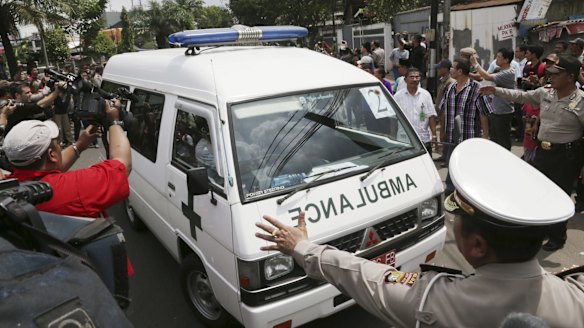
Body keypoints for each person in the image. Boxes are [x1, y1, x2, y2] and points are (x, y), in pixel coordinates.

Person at [255, 138, 584, 327]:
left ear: (478, 246)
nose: (451, 219)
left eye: (456, 215)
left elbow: (366, 277)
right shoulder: (575, 297)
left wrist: (303, 247)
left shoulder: (441, 301)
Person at [480, 55, 584, 252]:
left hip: (566, 157)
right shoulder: (546, 93)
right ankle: (540, 229)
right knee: (538, 193)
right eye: (550, 73)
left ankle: (557, 236)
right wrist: (495, 90)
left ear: (570, 77)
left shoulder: (581, 101)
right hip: (543, 152)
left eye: (556, 74)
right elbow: (520, 96)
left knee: (559, 197)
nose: (550, 77)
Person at [3, 99, 132, 218]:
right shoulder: (74, 188)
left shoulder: (8, 188)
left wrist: (79, 145)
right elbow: (122, 164)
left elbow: (44, 173)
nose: (60, 146)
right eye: (57, 143)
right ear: (51, 155)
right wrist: (115, 121)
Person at [440, 58, 493, 192]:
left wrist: (485, 136)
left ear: (460, 71)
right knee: (452, 166)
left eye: (453, 67)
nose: (450, 69)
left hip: (469, 138)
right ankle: (451, 192)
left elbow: (484, 114)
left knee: (468, 169)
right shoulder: (451, 87)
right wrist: (442, 131)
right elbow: (444, 110)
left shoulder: (476, 88)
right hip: (452, 138)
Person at [471, 48, 517, 150]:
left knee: (503, 142)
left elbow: (487, 77)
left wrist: (476, 64)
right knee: (495, 141)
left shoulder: (508, 72)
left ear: (506, 60)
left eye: (499, 57)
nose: (496, 59)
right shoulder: (502, 70)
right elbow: (484, 76)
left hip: (503, 112)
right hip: (496, 110)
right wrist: (469, 74)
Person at [393, 68, 437, 155]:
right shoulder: (398, 96)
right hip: (405, 141)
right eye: (411, 77)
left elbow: (431, 116)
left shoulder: (426, 95)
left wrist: (434, 135)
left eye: (417, 77)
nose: (414, 79)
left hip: (423, 139)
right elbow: (394, 118)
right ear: (405, 80)